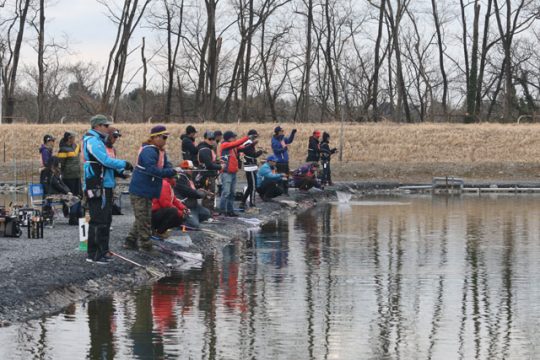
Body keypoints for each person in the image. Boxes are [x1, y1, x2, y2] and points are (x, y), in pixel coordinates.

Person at [83, 115, 132, 264]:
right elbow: (104, 160)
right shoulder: (92, 140)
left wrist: (121, 172)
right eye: (105, 126)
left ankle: (103, 251)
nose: (107, 128)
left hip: (106, 185)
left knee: (106, 220)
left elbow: (107, 165)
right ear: (97, 126)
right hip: (97, 185)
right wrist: (124, 163)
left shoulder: (100, 141)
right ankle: (94, 254)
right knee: (98, 220)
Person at [127, 125, 178, 251]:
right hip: (140, 190)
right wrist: (171, 172)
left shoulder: (160, 151)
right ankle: (145, 246)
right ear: (154, 137)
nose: (165, 140)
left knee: (143, 217)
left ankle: (130, 241)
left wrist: (172, 170)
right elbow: (152, 170)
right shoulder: (148, 151)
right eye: (163, 137)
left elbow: (166, 165)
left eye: (166, 137)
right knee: (144, 219)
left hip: (149, 190)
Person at [218, 131, 250, 217]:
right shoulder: (225, 145)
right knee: (226, 192)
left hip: (233, 173)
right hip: (226, 173)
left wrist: (252, 143)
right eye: (233, 137)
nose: (235, 138)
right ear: (229, 138)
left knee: (232, 193)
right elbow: (237, 143)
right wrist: (247, 138)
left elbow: (243, 147)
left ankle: (230, 211)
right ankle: (222, 211)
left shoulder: (233, 146)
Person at [174, 160, 212, 229]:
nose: (192, 171)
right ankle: (181, 222)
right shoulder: (180, 178)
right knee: (194, 225)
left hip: (193, 205)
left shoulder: (187, 177)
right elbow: (189, 192)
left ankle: (191, 219)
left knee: (206, 213)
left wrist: (200, 191)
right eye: (191, 169)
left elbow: (193, 190)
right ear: (185, 169)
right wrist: (202, 194)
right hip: (186, 206)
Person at [196, 131, 222, 210]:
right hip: (207, 176)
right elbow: (209, 165)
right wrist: (220, 166)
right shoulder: (205, 150)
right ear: (205, 139)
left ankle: (209, 213)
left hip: (209, 175)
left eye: (213, 139)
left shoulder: (208, 148)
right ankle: (208, 214)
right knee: (208, 196)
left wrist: (218, 163)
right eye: (209, 139)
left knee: (210, 196)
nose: (212, 141)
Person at [105, 128, 128, 215]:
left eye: (117, 137)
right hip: (102, 181)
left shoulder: (113, 149)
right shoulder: (101, 147)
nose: (115, 139)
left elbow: (114, 163)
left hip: (111, 180)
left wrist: (122, 172)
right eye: (114, 136)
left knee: (109, 205)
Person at [240, 129, 264, 209]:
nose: (255, 138)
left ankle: (243, 202)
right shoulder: (248, 143)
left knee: (250, 186)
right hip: (250, 167)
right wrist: (261, 151)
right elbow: (253, 155)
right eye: (254, 136)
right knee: (253, 186)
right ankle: (252, 204)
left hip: (250, 167)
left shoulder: (248, 144)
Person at [271, 126, 296, 195]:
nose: (283, 132)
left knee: (286, 177)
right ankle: (280, 191)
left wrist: (293, 133)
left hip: (285, 161)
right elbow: (276, 151)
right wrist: (284, 149)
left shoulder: (283, 139)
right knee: (281, 177)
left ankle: (286, 191)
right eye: (282, 131)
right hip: (279, 162)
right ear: (278, 132)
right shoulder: (274, 141)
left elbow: (290, 140)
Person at [57, 131, 82, 197]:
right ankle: (67, 207)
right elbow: (61, 164)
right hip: (68, 177)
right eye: (73, 137)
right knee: (69, 196)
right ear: (69, 138)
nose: (75, 139)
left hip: (77, 175)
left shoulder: (76, 146)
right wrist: (60, 174)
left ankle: (77, 207)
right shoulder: (63, 149)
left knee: (78, 195)